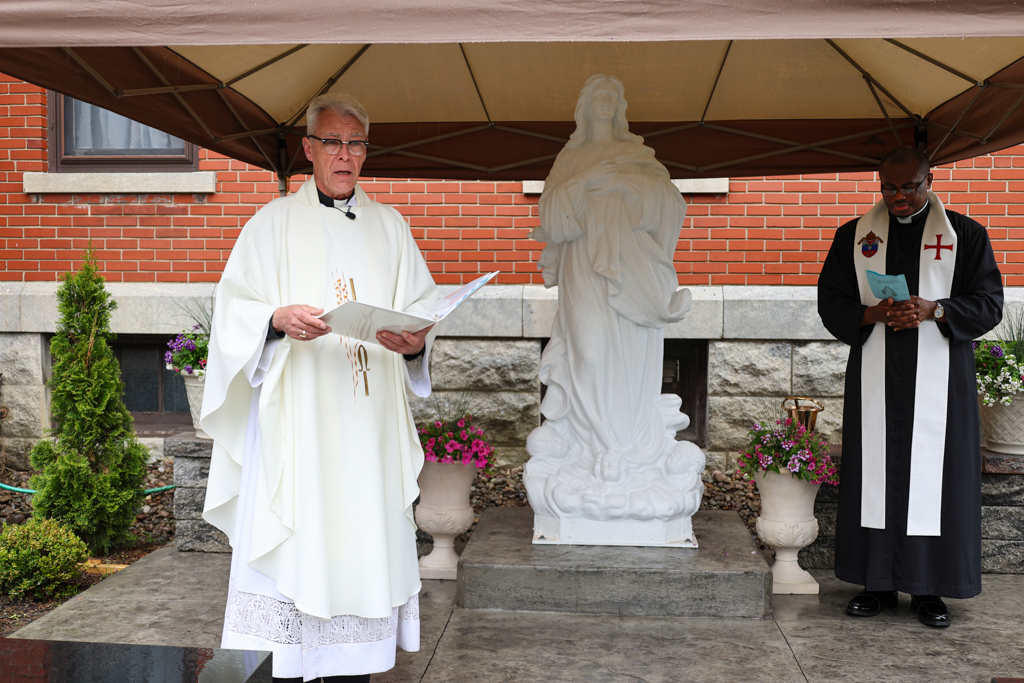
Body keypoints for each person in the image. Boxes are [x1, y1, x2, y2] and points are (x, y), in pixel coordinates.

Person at [200, 93, 438, 682]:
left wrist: (417, 342)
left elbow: (421, 311)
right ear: (308, 148)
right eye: (332, 142)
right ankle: (299, 653)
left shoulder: (392, 226)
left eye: (356, 144)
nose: (345, 155)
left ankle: (363, 656)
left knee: (366, 524)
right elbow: (233, 307)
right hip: (300, 413)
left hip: (370, 414)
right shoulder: (272, 222)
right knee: (305, 523)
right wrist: (276, 320)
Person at [817, 146, 1003, 628]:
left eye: (909, 186)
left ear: (929, 181)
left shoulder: (964, 236)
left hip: (941, 383)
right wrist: (870, 313)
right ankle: (874, 582)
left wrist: (936, 309)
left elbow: (989, 304)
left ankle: (929, 590)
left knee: (936, 477)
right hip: (877, 375)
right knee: (874, 471)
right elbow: (831, 301)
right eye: (889, 187)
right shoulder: (855, 237)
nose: (899, 197)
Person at [524, 74, 704, 534]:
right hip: (584, 267)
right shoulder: (571, 158)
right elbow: (549, 216)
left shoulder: (640, 158)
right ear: (584, 106)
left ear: (620, 106)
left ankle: (619, 451)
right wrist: (585, 182)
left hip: (632, 270)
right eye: (595, 95)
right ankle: (594, 447)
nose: (604, 101)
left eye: (611, 95)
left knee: (628, 360)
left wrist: (631, 186)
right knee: (589, 351)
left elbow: (671, 205)